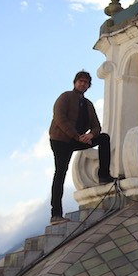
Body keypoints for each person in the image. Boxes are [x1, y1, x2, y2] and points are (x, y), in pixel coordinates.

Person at [49, 71, 113, 222]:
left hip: (78, 139)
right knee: (60, 174)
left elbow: (97, 126)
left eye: (86, 82)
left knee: (104, 139)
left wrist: (90, 135)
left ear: (89, 86)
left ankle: (103, 175)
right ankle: (56, 214)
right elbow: (60, 119)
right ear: (75, 82)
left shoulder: (88, 104)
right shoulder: (65, 97)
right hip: (61, 140)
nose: (82, 84)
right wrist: (77, 136)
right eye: (80, 81)